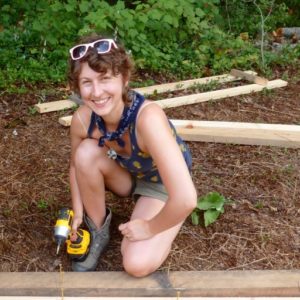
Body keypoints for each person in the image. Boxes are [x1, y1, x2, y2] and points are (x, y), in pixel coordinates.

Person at [67, 34, 197, 277]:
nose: (96, 92)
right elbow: (76, 166)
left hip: (161, 185)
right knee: (85, 153)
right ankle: (98, 231)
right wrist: (78, 213)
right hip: (128, 173)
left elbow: (187, 198)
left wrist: (150, 227)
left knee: (136, 264)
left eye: (105, 79)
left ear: (124, 78)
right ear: (77, 87)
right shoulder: (83, 120)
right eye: (87, 82)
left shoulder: (148, 119)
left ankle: (168, 216)